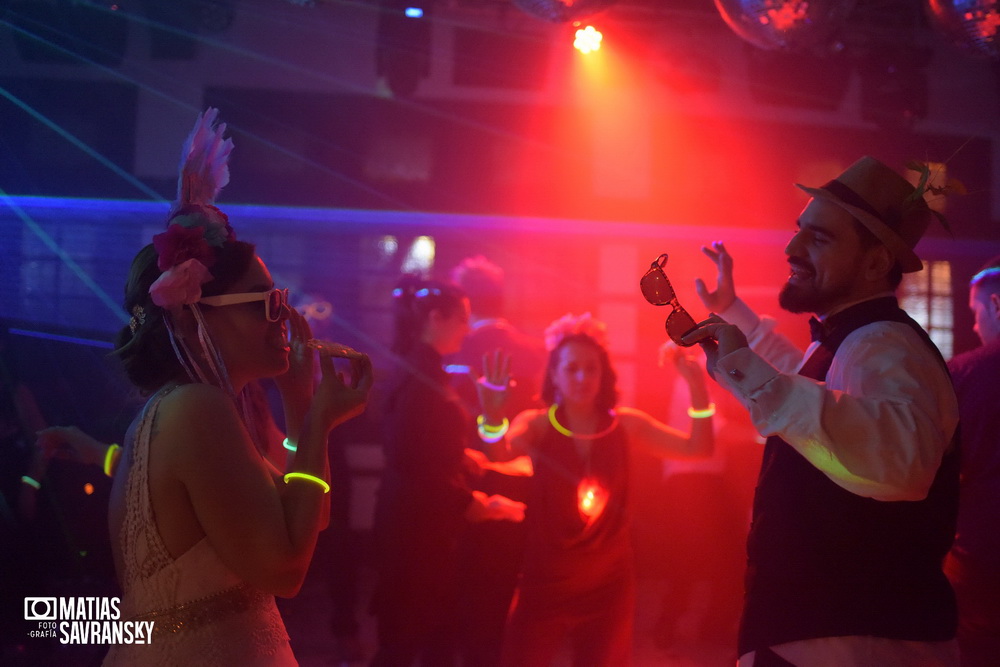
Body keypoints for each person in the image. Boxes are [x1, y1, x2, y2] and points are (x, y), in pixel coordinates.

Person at [103, 108, 373, 665]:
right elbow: (285, 568)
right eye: (269, 303)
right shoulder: (195, 409)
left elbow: (305, 514)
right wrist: (317, 419)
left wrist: (301, 405)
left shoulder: (199, 409)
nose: (286, 318)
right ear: (200, 314)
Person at [682, 156, 961, 666]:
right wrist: (737, 317)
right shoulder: (862, 340)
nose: (791, 248)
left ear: (876, 262)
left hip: (852, 644)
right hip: (838, 640)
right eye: (798, 232)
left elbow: (901, 461)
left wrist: (756, 374)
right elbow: (817, 389)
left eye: (820, 238)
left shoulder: (883, 343)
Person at [478, 312, 714, 667]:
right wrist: (493, 419)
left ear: (603, 374)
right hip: (546, 583)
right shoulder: (538, 425)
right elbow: (498, 453)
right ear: (554, 374)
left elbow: (698, 448)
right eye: (572, 368)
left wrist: (697, 388)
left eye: (591, 368)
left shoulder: (625, 425)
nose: (582, 377)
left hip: (608, 586)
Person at [369, 274, 525, 667]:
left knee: (421, 637)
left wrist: (464, 460)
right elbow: (417, 463)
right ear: (436, 318)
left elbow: (422, 449)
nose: (468, 329)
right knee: (410, 641)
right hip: (420, 534)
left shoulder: (416, 368)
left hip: (412, 527)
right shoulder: (423, 379)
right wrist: (472, 501)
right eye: (462, 319)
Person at [447, 255, 545, 667]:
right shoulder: (532, 349)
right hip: (521, 481)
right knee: (506, 589)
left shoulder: (454, 347)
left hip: (464, 480)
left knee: (463, 591)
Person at [944, 255, 1000, 667]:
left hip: (981, 552)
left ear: (996, 305)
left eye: (977, 313)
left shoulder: (964, 373)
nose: (976, 325)